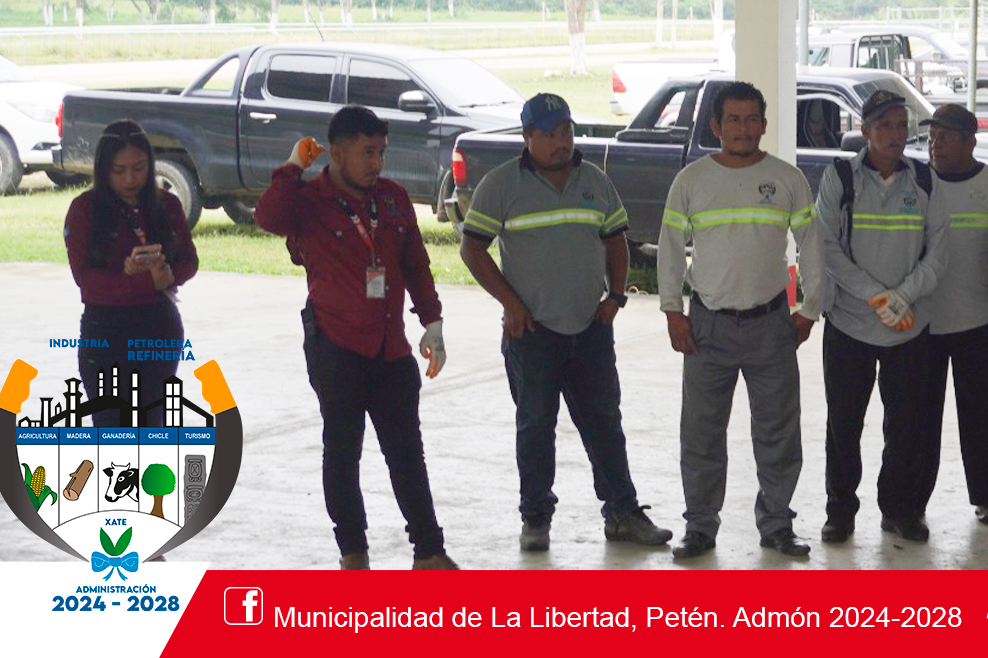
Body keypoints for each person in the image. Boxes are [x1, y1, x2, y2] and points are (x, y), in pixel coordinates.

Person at [459, 92, 673, 553]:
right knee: (536, 427)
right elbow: (472, 249)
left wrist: (616, 297)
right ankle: (535, 518)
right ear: (527, 137)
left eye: (567, 132)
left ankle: (622, 513)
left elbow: (616, 241)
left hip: (590, 328)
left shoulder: (594, 179)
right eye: (550, 134)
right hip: (533, 334)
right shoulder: (501, 184)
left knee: (605, 424)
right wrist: (511, 304)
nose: (562, 142)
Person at [254, 105, 457, 570]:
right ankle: (353, 554)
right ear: (338, 152)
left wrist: (433, 321)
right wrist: (292, 167)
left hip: (391, 347)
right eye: (367, 152)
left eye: (381, 152)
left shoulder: (393, 198)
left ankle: (429, 551)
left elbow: (415, 263)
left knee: (407, 454)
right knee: (343, 454)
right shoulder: (308, 199)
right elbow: (268, 217)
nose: (376, 163)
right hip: (336, 346)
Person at [658, 82, 824, 559]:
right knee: (702, 433)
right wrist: (672, 310)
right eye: (733, 119)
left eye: (752, 119)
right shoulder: (691, 180)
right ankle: (700, 527)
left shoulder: (787, 178)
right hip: (706, 326)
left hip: (772, 325)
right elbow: (670, 247)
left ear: (764, 125)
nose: (743, 129)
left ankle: (777, 524)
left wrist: (809, 310)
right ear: (716, 126)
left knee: (778, 432)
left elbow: (812, 245)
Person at [815, 89, 948, 544]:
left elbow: (939, 251)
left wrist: (903, 297)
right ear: (865, 131)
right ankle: (840, 512)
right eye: (885, 126)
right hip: (850, 323)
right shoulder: (840, 178)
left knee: (907, 424)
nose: (895, 134)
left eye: (901, 125)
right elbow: (826, 247)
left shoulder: (924, 180)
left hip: (909, 327)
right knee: (843, 423)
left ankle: (899, 509)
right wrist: (877, 297)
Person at [63, 120, 198, 428]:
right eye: (118, 170)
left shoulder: (168, 205)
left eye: (139, 168)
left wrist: (168, 274)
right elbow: (85, 278)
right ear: (103, 169)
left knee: (152, 423)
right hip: (106, 330)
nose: (129, 179)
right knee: (111, 426)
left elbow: (190, 261)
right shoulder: (84, 209)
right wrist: (141, 280)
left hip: (158, 325)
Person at [918, 103, 988, 526]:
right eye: (931, 137)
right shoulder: (915, 183)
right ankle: (911, 503)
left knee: (982, 414)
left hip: (980, 322)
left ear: (970, 142)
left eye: (945, 137)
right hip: (923, 324)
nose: (935, 145)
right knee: (917, 419)